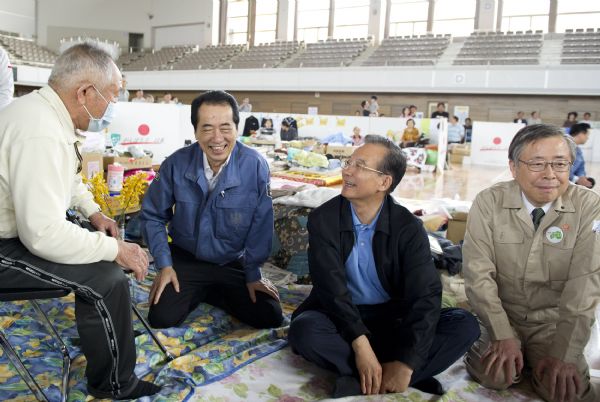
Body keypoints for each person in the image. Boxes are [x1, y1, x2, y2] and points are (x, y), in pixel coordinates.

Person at [0, 43, 159, 399]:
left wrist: (93, 211)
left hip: (19, 232)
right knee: (104, 277)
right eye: (114, 96)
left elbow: (67, 177)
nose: (114, 106)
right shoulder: (38, 130)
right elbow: (41, 235)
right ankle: (116, 385)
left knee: (101, 259)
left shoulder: (47, 115)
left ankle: (112, 350)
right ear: (85, 92)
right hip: (7, 244)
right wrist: (114, 249)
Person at [288, 135, 479, 399]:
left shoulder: (408, 229)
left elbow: (425, 296)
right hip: (339, 314)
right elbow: (330, 289)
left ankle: (384, 374)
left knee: (465, 324)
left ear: (384, 182)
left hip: (392, 318)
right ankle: (393, 377)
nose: (347, 170)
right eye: (348, 162)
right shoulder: (324, 219)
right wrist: (359, 343)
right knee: (304, 330)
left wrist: (408, 361)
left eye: (360, 166)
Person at [463, 124, 600, 402]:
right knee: (495, 375)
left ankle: (540, 363)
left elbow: (585, 286)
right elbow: (478, 275)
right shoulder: (489, 201)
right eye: (537, 164)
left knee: (565, 391)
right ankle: (518, 358)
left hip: (554, 322)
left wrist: (565, 354)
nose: (550, 174)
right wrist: (501, 334)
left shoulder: (589, 206)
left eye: (560, 164)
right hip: (502, 314)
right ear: (513, 167)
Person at [140, 90, 283, 331]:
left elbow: (261, 224)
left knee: (269, 315)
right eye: (207, 128)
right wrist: (165, 265)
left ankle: (210, 290)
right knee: (162, 318)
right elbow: (153, 215)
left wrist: (253, 273)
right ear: (195, 131)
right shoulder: (176, 163)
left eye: (225, 127)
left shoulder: (255, 165)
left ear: (237, 128)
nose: (217, 138)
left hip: (232, 260)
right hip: (187, 259)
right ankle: (204, 288)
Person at [569, 123, 594, 189]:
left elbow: (581, 167)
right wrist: (577, 179)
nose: (588, 138)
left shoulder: (578, 151)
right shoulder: (563, 145)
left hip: (572, 180)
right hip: (563, 181)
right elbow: (560, 168)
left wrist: (582, 177)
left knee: (590, 182)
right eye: (587, 135)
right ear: (581, 134)